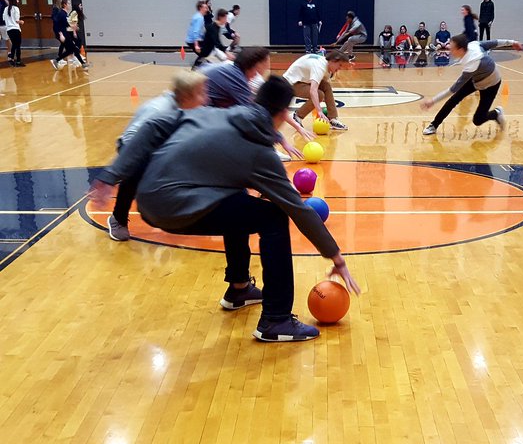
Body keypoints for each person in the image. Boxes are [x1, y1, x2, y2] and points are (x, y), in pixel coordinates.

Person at [95, 76, 360, 342]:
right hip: (176, 206)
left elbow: (154, 125)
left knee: (239, 198)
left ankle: (239, 288)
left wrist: (112, 174)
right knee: (275, 217)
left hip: (148, 197)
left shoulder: (216, 114)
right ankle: (276, 320)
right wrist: (336, 257)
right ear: (282, 114)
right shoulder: (261, 155)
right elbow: (297, 209)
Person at [106, 72, 210, 241]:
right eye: (200, 93)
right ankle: (118, 219)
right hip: (133, 146)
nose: (205, 98)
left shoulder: (188, 105)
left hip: (163, 146)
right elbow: (133, 142)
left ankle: (184, 214)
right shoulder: (159, 110)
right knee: (135, 175)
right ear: (186, 95)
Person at [205, 46, 309, 155]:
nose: (267, 67)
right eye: (266, 62)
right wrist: (281, 141)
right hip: (203, 117)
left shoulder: (234, 71)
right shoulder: (236, 77)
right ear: (256, 64)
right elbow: (255, 115)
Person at [420, 35, 523, 135]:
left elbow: (453, 89)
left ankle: (496, 113)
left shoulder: (472, 63)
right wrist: (513, 43)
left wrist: (433, 101)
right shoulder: (473, 45)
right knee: (453, 100)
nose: (449, 49)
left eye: (452, 48)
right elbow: (495, 42)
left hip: (491, 84)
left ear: (460, 50)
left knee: (478, 120)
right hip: (476, 78)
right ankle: (434, 125)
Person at [284, 50, 349, 130]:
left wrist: (327, 100)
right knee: (319, 95)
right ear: (333, 61)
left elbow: (324, 88)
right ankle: (297, 116)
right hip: (290, 85)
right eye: (339, 65)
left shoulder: (326, 65)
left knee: (326, 86)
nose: (340, 68)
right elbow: (313, 90)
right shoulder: (320, 67)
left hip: (303, 80)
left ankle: (332, 119)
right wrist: (319, 111)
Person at [51, 0, 88, 70]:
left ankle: (56, 60)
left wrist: (73, 27)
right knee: (73, 48)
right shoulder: (61, 13)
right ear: (64, 5)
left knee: (71, 50)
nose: (70, 5)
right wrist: (60, 34)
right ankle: (83, 64)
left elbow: (66, 24)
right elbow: (56, 24)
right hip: (63, 34)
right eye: (68, 4)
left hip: (66, 33)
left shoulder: (65, 14)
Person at [5, 0, 24, 67]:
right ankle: (18, 61)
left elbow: (4, 18)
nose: (18, 1)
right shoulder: (16, 8)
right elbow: (17, 20)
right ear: (14, 1)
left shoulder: (5, 9)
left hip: (9, 30)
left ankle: (11, 58)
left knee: (14, 44)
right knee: (18, 45)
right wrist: (21, 21)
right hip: (15, 29)